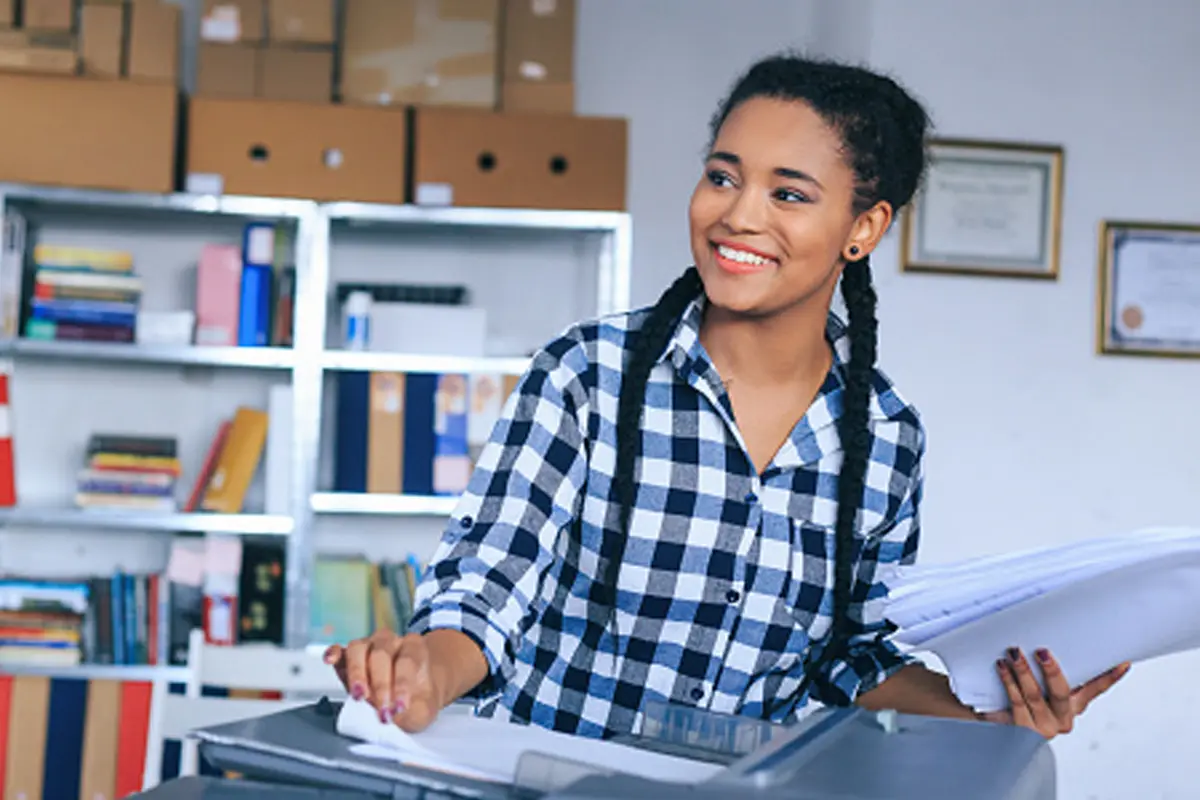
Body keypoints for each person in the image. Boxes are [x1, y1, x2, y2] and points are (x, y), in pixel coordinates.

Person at [325, 52, 1128, 743]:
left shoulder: (886, 438)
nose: (737, 215)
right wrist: (423, 668)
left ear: (864, 228)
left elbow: (851, 661)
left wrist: (989, 714)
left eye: (789, 194)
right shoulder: (588, 375)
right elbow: (487, 592)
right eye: (722, 176)